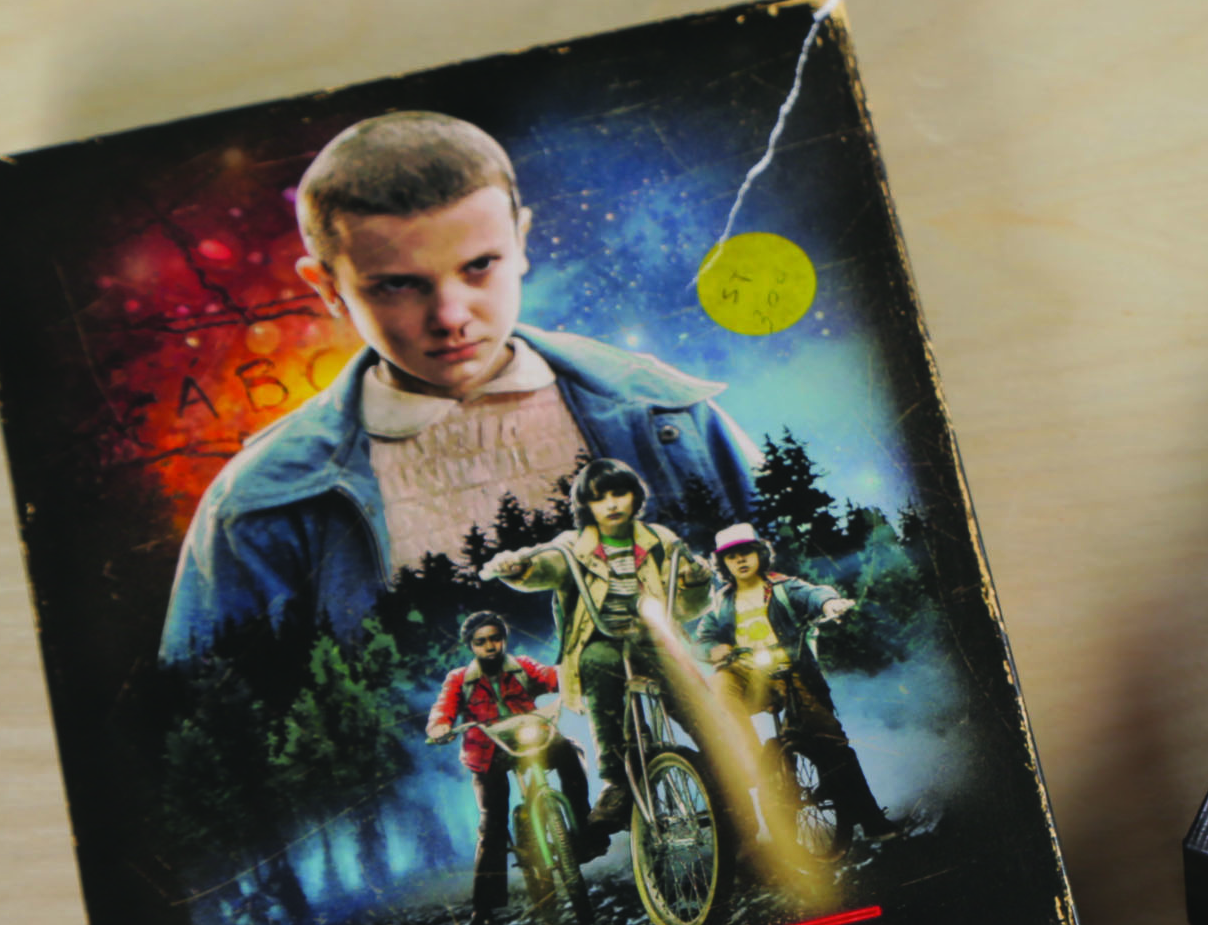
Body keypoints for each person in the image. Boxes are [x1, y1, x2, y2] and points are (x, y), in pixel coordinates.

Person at [161, 111, 760, 661]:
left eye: (479, 266)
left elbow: (792, 581)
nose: (450, 316)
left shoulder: (664, 413)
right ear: (327, 287)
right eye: (398, 284)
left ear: (521, 243)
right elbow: (210, 719)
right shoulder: (258, 504)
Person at [481, 459, 709, 838]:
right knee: (597, 662)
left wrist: (695, 580)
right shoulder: (573, 545)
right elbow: (545, 565)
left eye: (619, 493)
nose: (612, 504)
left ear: (635, 496)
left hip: (655, 636)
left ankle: (722, 763)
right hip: (600, 637)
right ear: (586, 506)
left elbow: (686, 606)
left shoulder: (660, 540)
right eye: (600, 498)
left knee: (692, 697)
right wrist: (517, 566)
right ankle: (617, 780)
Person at [691, 522, 896, 846]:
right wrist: (713, 649)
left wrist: (830, 604)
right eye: (731, 556)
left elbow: (814, 594)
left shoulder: (783, 587)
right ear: (723, 564)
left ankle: (871, 818)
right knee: (720, 684)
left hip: (790, 668)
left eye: (746, 552)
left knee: (830, 739)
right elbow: (703, 639)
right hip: (747, 674)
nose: (740, 560)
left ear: (759, 554)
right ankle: (748, 756)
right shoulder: (722, 602)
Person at [424, 611, 592, 925]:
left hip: (531, 738)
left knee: (570, 753)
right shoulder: (460, 679)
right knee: (492, 825)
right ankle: (483, 911)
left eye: (495, 638)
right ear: (471, 645)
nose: (490, 646)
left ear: (504, 639)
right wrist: (440, 725)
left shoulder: (522, 667)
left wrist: (575, 672)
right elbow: (443, 707)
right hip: (488, 752)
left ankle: (584, 833)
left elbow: (551, 676)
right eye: (481, 642)